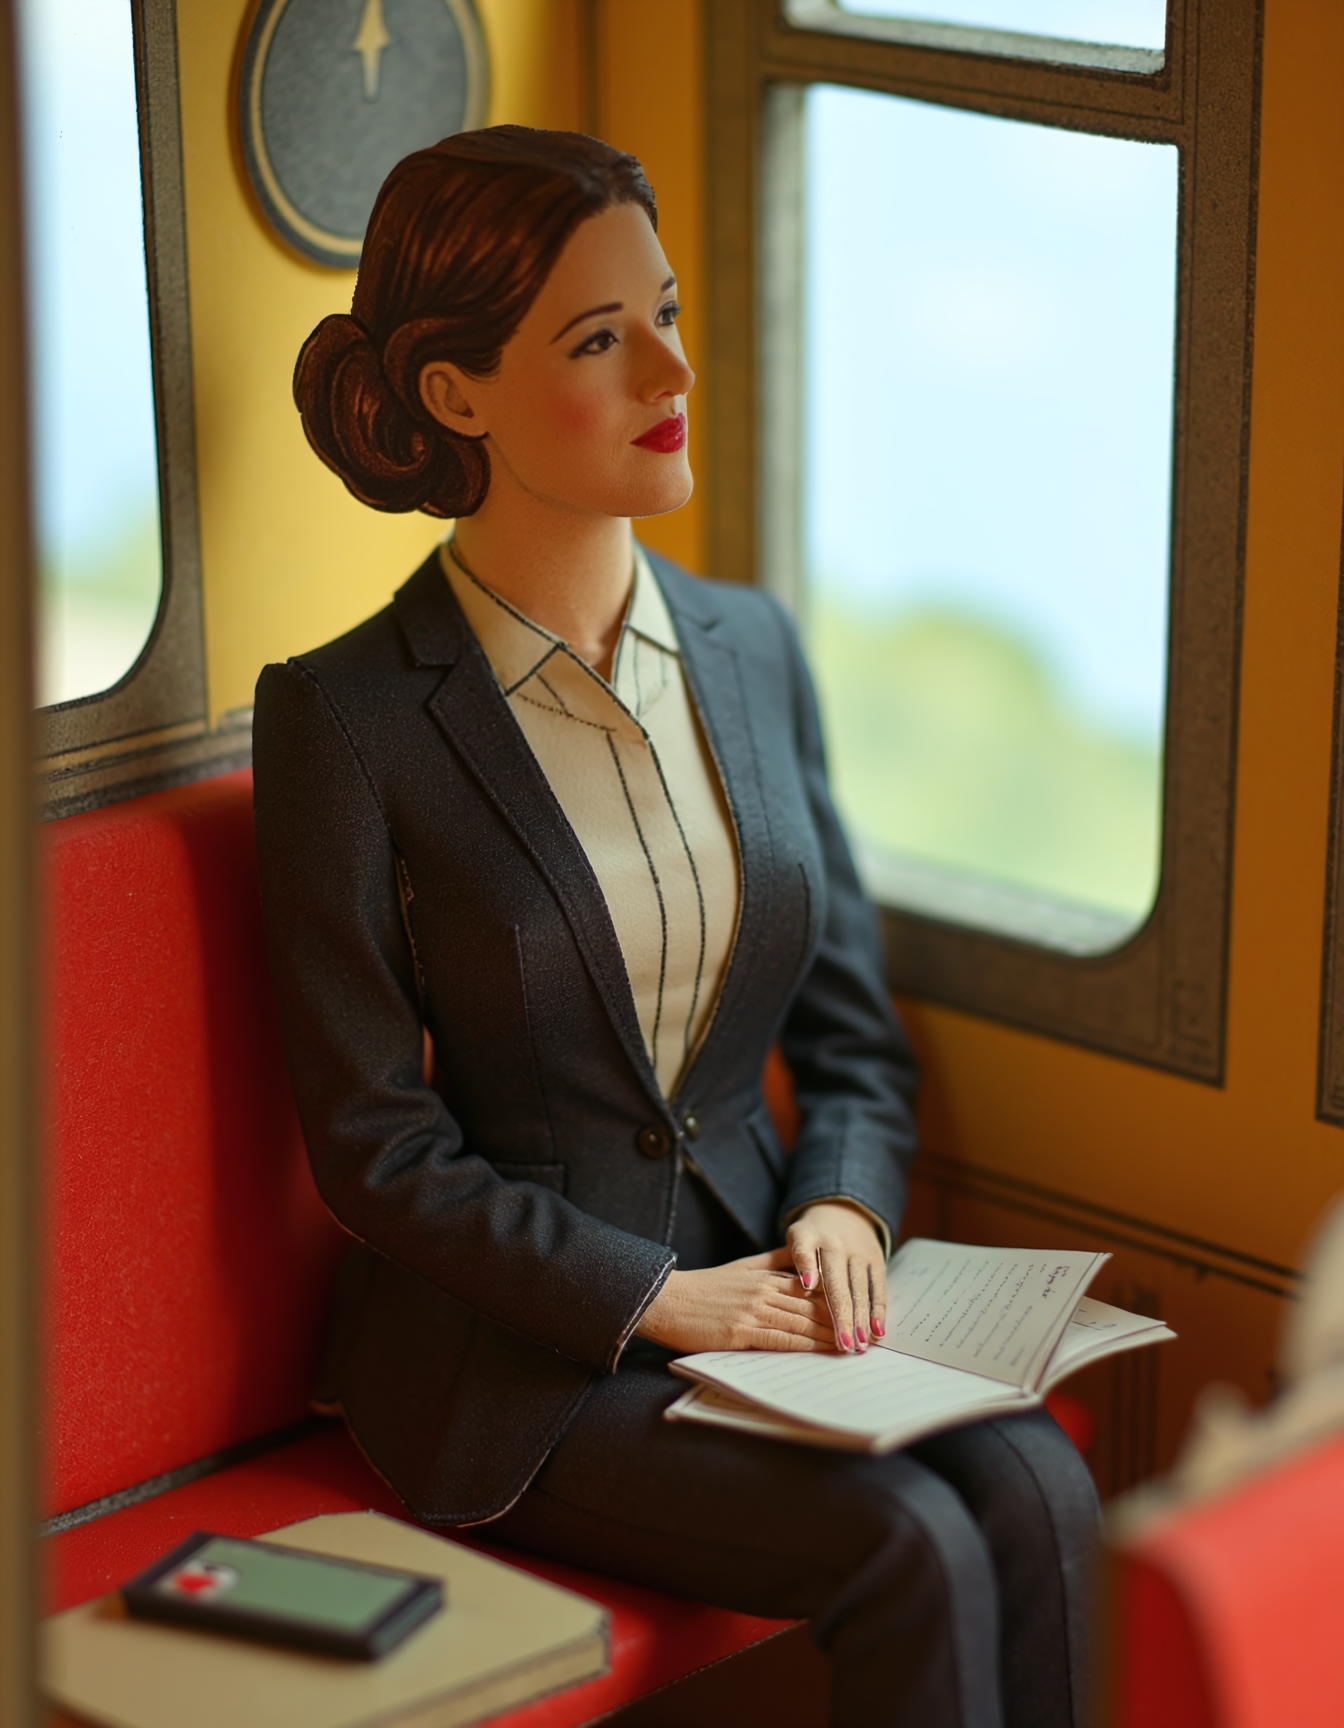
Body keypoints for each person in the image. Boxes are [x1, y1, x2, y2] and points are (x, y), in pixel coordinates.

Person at [253, 124, 1100, 1728]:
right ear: (457, 397)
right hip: (529, 1363)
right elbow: (377, 1150)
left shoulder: (748, 643)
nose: (668, 367)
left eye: (668, 312)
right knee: (911, 1541)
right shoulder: (345, 721)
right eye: (598, 338)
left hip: (786, 1287)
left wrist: (843, 1209)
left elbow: (847, 1032)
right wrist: (660, 1301)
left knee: (1042, 1485)